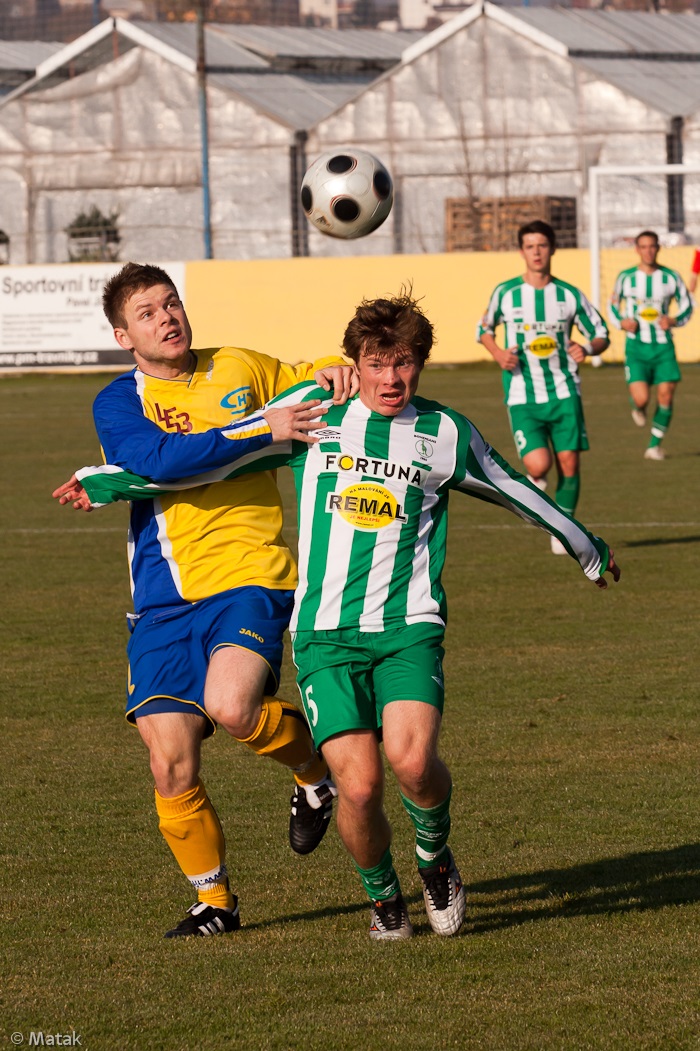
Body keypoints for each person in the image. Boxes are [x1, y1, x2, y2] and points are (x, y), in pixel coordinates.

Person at [57, 289, 621, 942]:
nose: (390, 378)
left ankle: (434, 857)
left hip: (409, 625)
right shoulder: (315, 421)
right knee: (358, 788)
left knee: (412, 763)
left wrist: (586, 546)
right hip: (325, 635)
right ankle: (383, 897)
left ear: (421, 365)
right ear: (356, 363)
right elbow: (217, 462)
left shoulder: (445, 434)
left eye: (404, 363)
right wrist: (105, 481)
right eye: (377, 363)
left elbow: (514, 488)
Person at [52, 261, 359, 939]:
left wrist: (335, 366)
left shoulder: (240, 365)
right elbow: (161, 461)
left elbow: (309, 383)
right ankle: (215, 901)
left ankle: (313, 775)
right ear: (122, 334)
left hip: (251, 574)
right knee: (169, 761)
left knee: (232, 705)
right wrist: (262, 430)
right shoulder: (116, 400)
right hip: (162, 597)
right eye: (148, 313)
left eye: (172, 303)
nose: (167, 318)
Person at [477, 220, 610, 556]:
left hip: (565, 392)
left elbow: (601, 333)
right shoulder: (506, 293)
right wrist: (498, 353)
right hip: (523, 394)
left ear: (552, 249)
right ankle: (545, 498)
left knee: (570, 466)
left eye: (542, 245)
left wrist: (588, 348)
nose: (536, 252)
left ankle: (563, 530)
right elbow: (484, 329)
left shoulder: (569, 295)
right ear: (522, 251)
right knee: (538, 466)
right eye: (530, 246)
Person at [609, 230, 692, 461]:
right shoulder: (626, 277)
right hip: (636, 348)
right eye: (643, 247)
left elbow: (687, 305)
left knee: (666, 395)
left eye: (652, 246)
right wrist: (622, 322)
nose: (648, 251)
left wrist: (674, 320)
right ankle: (638, 406)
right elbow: (613, 306)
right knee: (642, 398)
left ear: (658, 248)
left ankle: (654, 446)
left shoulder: (671, 277)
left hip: (664, 347)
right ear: (637, 249)